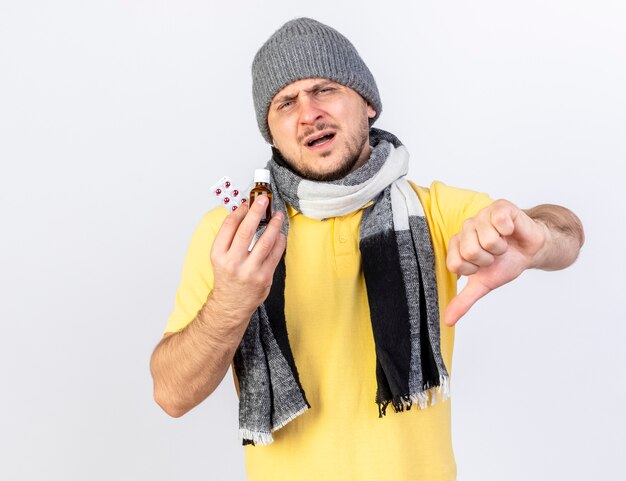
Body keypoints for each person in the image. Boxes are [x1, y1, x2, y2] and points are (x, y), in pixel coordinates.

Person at [150, 17, 584, 481]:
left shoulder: (432, 210)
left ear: (369, 104)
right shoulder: (234, 235)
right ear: (271, 131)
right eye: (286, 102)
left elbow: (568, 232)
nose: (308, 113)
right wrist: (231, 300)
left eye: (324, 89)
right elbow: (172, 395)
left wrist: (536, 239)